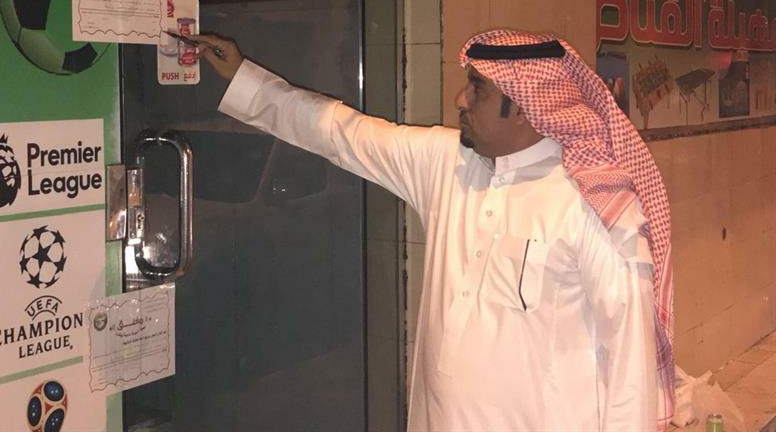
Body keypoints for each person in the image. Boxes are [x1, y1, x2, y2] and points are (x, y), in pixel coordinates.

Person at [198, 28, 674, 432]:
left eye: (478, 89)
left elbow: (630, 369)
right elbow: (343, 134)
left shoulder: (593, 204)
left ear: (524, 106)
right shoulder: (447, 163)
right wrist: (247, 81)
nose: (460, 100)